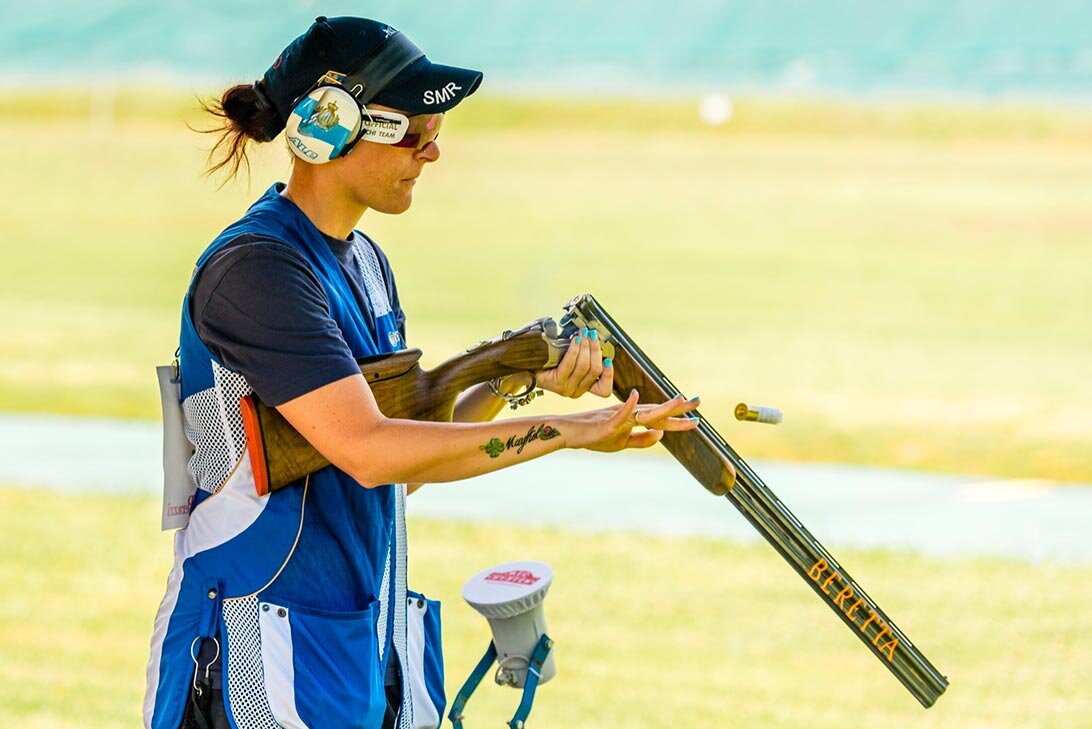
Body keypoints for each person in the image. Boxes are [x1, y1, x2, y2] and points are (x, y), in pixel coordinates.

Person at [143, 16, 699, 729]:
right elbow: (372, 451)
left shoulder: (366, 263)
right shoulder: (259, 271)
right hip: (251, 661)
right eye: (411, 132)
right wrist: (570, 428)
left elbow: (405, 460)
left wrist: (508, 377)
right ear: (329, 125)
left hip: (343, 654)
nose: (431, 152)